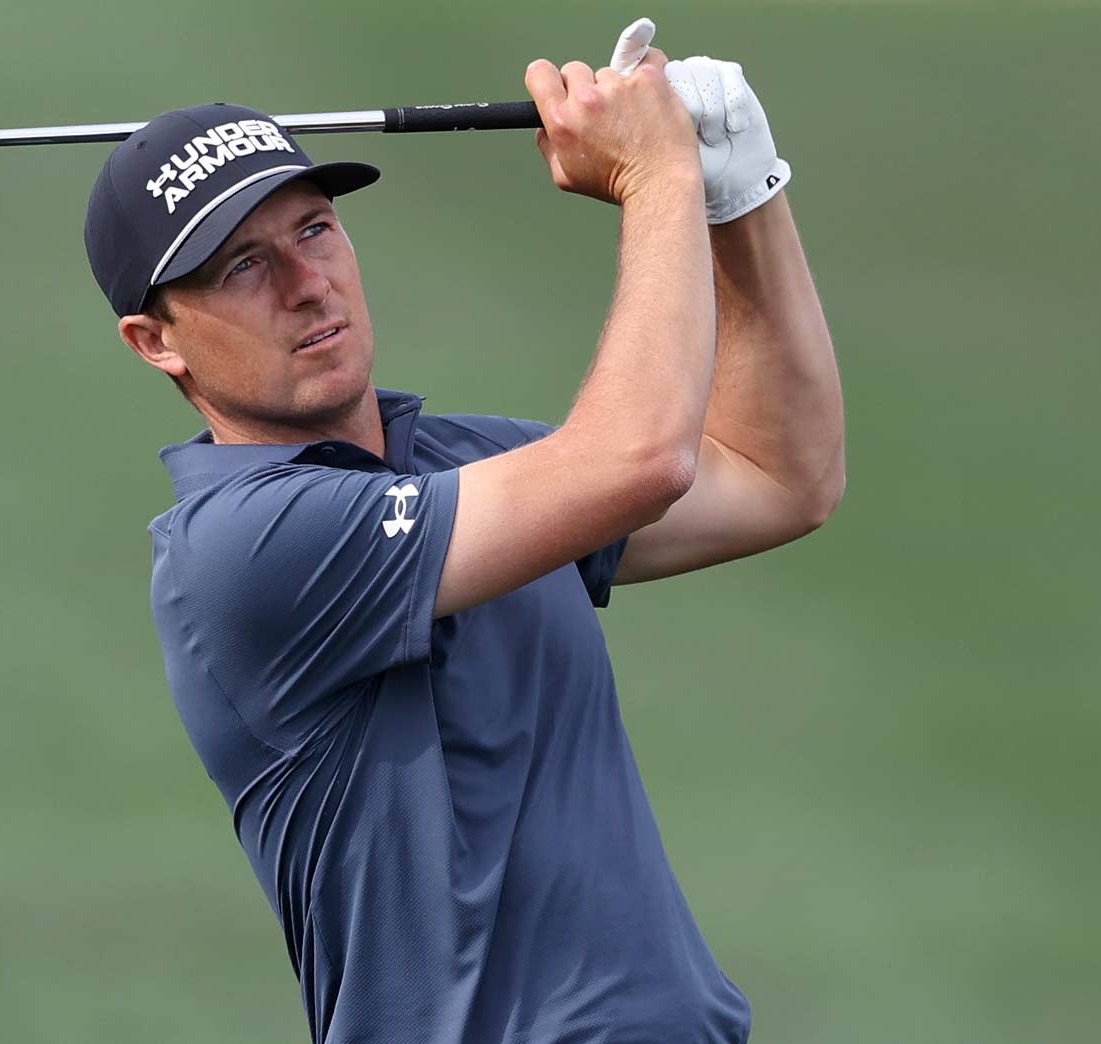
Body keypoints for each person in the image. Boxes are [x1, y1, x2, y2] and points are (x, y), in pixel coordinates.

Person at [82, 18, 842, 1044]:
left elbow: (777, 477)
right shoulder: (244, 548)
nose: (308, 283)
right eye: (241, 269)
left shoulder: (463, 461)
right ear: (154, 341)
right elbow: (643, 458)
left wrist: (739, 192)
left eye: (314, 230)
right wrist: (657, 175)